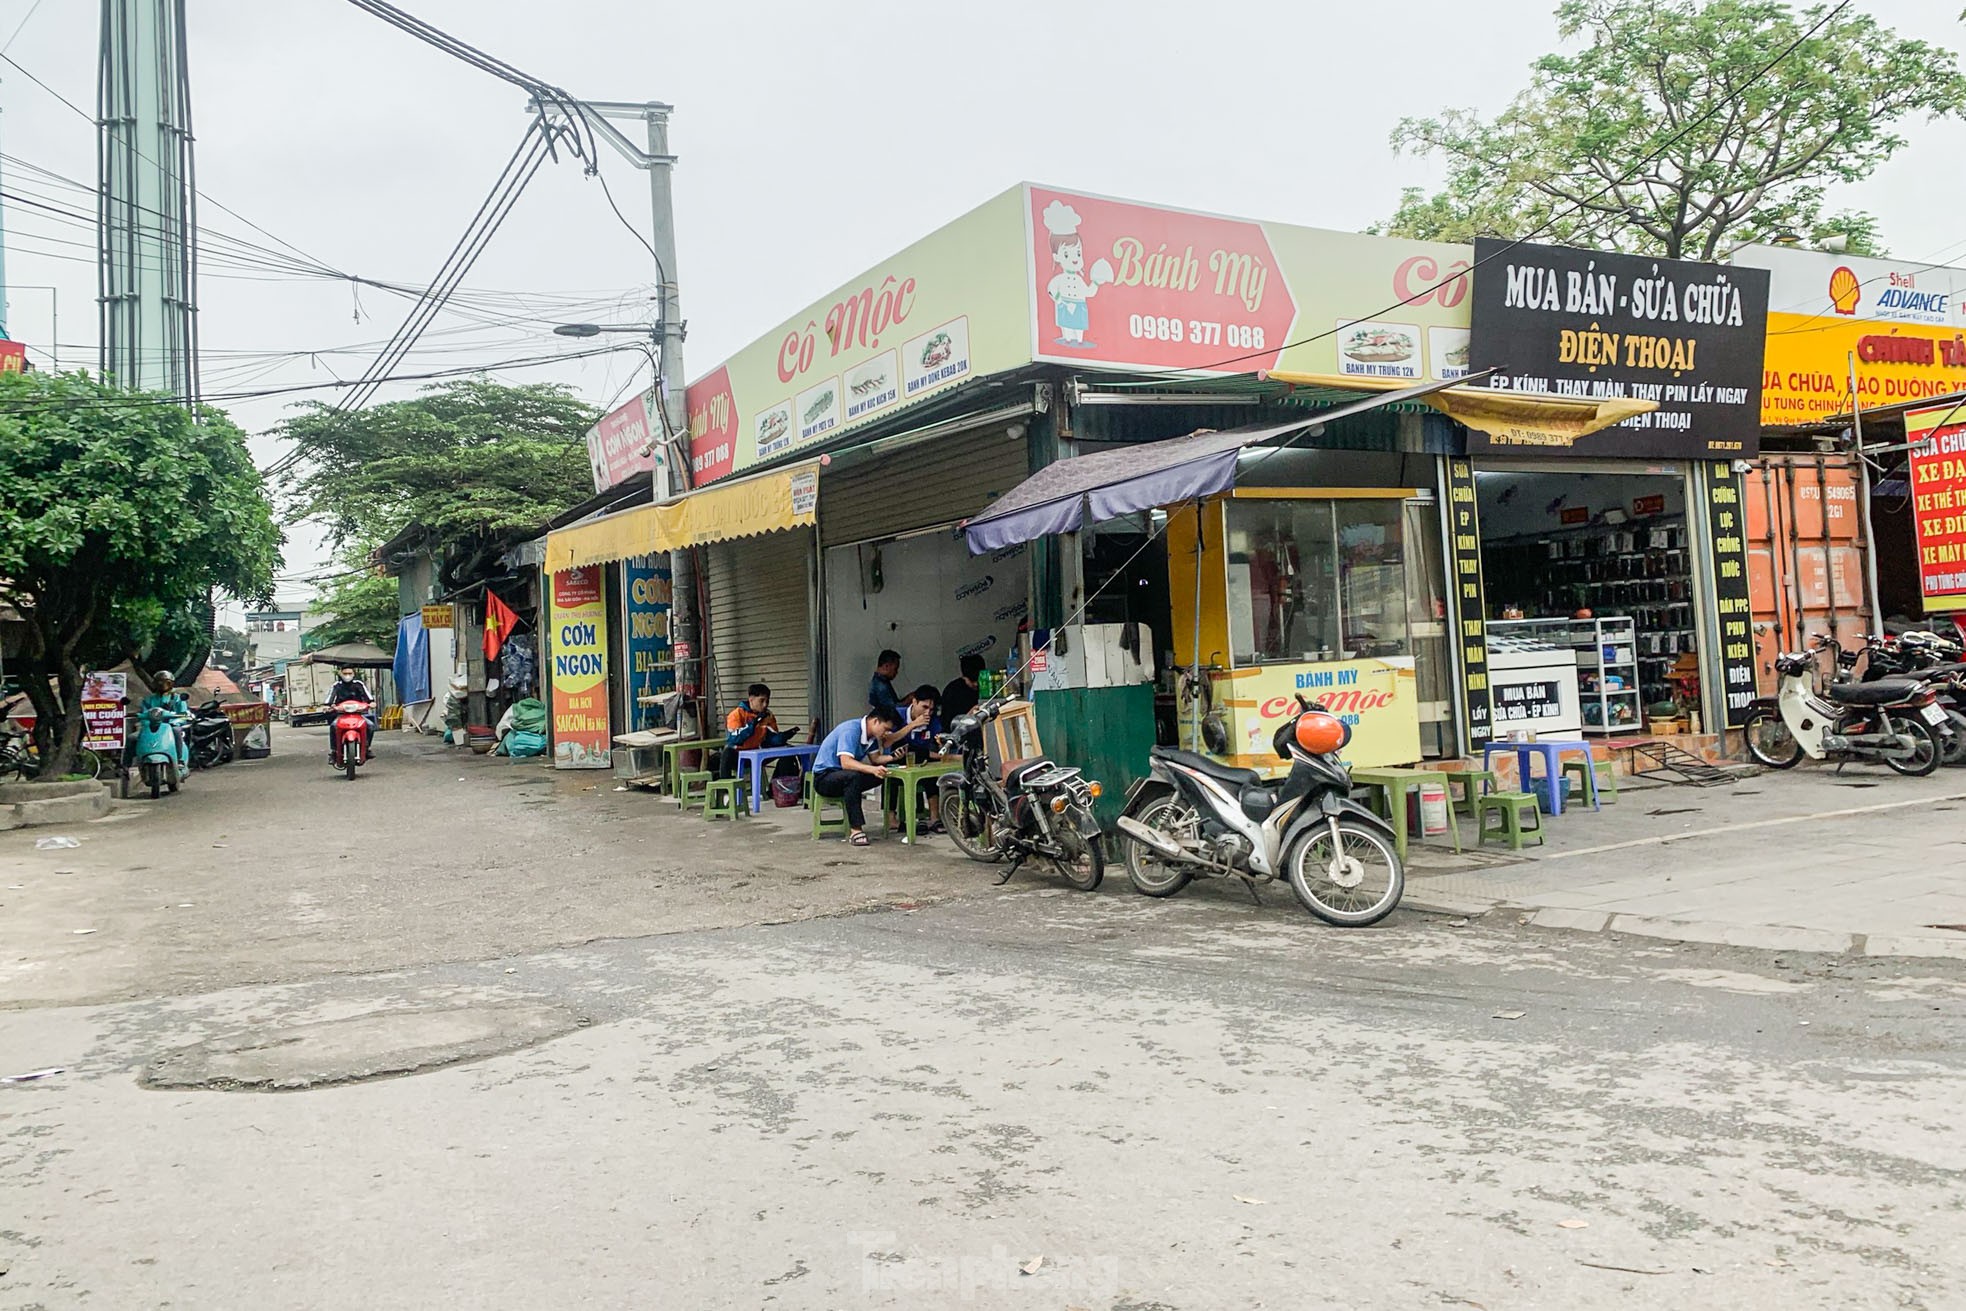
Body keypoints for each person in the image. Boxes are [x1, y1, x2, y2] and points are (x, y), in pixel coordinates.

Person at [811, 706, 905, 847]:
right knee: (853, 777)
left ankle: (891, 819)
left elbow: (876, 759)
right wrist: (872, 769)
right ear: (875, 721)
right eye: (885, 729)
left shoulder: (871, 737)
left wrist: (892, 757)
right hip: (824, 778)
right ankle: (856, 830)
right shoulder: (851, 730)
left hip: (843, 777)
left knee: (883, 775)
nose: (886, 734)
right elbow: (846, 763)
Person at [718, 683, 795, 779]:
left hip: (758, 753)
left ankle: (776, 789)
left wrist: (783, 737)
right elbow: (734, 739)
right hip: (738, 756)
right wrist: (753, 724)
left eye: (767, 701)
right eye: (761, 701)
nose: (765, 705)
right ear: (751, 699)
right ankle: (726, 790)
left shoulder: (767, 715)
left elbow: (771, 739)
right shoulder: (736, 714)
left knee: (788, 751)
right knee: (727, 753)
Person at [327, 664, 376, 750]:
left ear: (354, 674)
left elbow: (368, 697)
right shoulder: (336, 685)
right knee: (334, 726)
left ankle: (366, 747)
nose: (347, 676)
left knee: (370, 726)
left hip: (358, 714)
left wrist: (371, 703)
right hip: (341, 715)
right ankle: (334, 751)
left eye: (350, 673)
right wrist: (328, 705)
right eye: (345, 673)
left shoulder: (359, 684)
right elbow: (330, 698)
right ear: (340, 674)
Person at [940, 652, 986, 727]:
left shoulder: (986, 687)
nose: (976, 684)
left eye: (979, 680)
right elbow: (947, 724)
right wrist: (969, 716)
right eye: (972, 681)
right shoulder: (951, 692)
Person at [868, 650, 902, 717]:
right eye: (895, 669)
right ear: (886, 666)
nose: (896, 673)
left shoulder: (882, 682)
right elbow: (893, 708)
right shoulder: (880, 686)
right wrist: (909, 699)